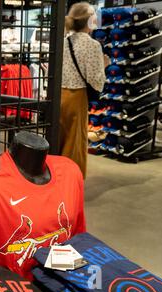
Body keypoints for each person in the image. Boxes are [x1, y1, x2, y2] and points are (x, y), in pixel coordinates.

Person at [60, 2, 109, 179]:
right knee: (75, 142)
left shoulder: (63, 42)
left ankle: (55, 179)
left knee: (59, 138)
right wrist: (104, 66)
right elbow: (96, 80)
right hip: (77, 97)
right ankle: (71, 181)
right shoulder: (93, 45)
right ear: (89, 21)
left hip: (59, 95)